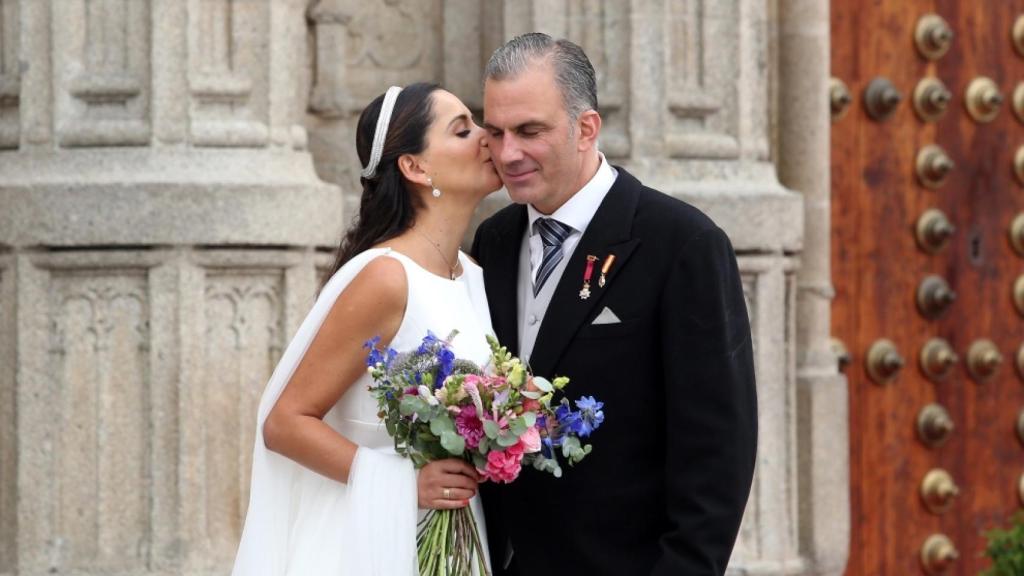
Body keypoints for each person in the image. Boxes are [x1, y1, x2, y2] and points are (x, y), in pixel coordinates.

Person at [471, 33, 758, 575]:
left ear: (586, 128)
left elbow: (718, 450)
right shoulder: (495, 239)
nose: (508, 153)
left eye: (530, 131)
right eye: (496, 132)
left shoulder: (682, 244)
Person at [231, 83, 502, 575]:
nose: (488, 136)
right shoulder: (384, 276)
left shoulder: (474, 274)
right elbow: (285, 421)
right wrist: (404, 484)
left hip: (453, 540)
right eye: (463, 130)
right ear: (415, 167)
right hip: (366, 542)